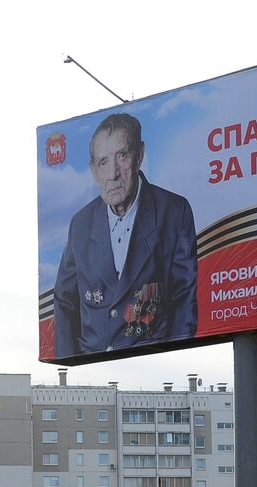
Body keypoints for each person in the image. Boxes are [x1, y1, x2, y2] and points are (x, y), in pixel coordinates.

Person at [52, 112, 197, 359]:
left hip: (154, 361)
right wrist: (70, 361)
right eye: (103, 162)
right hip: (94, 364)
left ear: (139, 155)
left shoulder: (174, 211)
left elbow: (184, 297)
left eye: (122, 155)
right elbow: (64, 300)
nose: (113, 174)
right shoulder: (81, 224)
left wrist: (172, 356)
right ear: (93, 171)